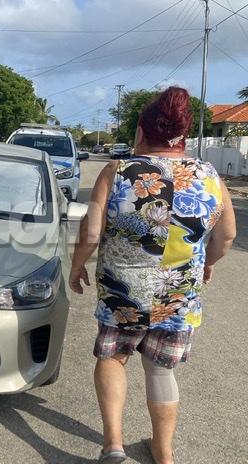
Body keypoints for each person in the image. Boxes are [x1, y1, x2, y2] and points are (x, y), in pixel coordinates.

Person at [69, 87, 236, 464]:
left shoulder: (118, 171)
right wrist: (207, 262)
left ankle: (113, 446)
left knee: (113, 358)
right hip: (178, 296)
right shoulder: (210, 176)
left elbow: (91, 233)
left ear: (142, 131)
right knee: (161, 371)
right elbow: (226, 236)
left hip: (122, 294)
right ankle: (163, 453)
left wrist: (77, 267)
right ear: (182, 136)